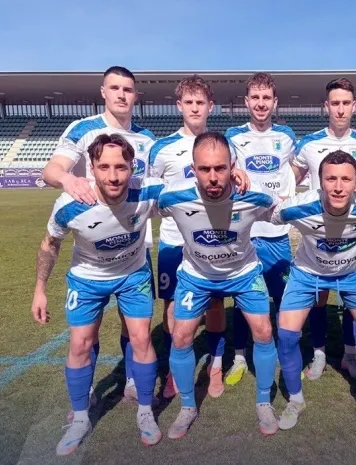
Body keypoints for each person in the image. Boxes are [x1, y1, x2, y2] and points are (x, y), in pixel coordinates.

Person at [31, 134, 164, 455]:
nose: (113, 175)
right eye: (104, 167)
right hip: (87, 280)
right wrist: (39, 290)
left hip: (133, 275)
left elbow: (197, 187)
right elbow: (50, 244)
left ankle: (145, 411)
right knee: (80, 343)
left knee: (141, 338)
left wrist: (234, 173)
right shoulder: (70, 205)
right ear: (92, 168)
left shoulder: (148, 192)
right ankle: (80, 418)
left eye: (121, 167)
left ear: (133, 167)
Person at [42, 66, 156, 402]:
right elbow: (51, 170)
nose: (121, 94)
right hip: (93, 244)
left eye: (128, 89)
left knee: (133, 325)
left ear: (135, 96)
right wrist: (69, 180)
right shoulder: (84, 128)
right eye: (114, 88)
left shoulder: (147, 139)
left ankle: (133, 380)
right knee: (85, 335)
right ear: (103, 92)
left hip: (134, 244)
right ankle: (86, 390)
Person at [157, 132, 279, 438]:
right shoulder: (172, 196)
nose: (213, 177)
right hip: (196, 276)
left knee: (264, 331)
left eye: (220, 168)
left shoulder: (254, 194)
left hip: (243, 273)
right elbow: (133, 203)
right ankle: (188, 406)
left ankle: (264, 402)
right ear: (193, 169)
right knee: (181, 336)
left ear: (232, 167)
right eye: (205, 169)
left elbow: (282, 211)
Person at [272, 150, 356, 432]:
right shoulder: (299, 207)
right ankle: (296, 400)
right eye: (331, 179)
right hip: (306, 274)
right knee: (287, 336)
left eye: (346, 179)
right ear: (320, 182)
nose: (338, 187)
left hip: (352, 274)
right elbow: (270, 212)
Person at [290, 77, 356, 380]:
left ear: (354, 106)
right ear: (326, 106)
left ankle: (349, 354)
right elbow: (292, 177)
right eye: (335, 103)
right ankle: (318, 353)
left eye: (345, 103)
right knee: (318, 297)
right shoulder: (309, 143)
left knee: (352, 297)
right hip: (317, 235)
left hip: (353, 236)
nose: (340, 109)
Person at [149, 75, 231, 399]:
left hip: (212, 240)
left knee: (215, 304)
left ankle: (215, 365)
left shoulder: (224, 144)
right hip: (174, 242)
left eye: (201, 102)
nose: (195, 108)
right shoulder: (162, 149)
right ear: (179, 106)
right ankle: (175, 369)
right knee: (172, 308)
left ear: (211, 106)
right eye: (189, 102)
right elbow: (152, 195)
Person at [224, 72, 297, 387]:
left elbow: (296, 168)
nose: (261, 103)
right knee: (243, 297)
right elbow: (226, 169)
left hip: (277, 233)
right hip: (246, 232)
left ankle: (282, 351)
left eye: (266, 98)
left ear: (275, 102)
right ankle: (240, 357)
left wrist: (287, 195)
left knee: (281, 297)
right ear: (246, 101)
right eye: (255, 97)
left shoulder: (287, 136)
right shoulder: (233, 135)